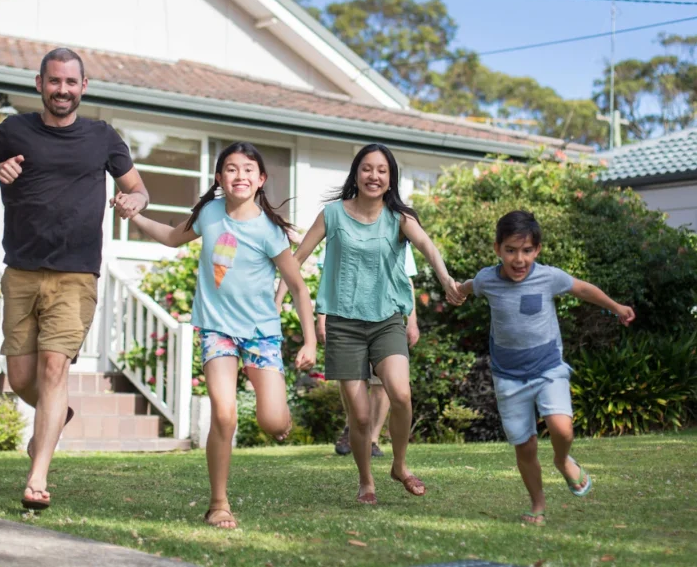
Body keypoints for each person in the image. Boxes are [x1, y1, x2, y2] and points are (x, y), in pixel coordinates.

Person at [0, 48, 150, 511]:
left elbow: (139, 187)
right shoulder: (14, 130)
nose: (62, 90)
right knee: (21, 375)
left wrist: (135, 203)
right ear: (39, 83)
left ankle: (37, 476)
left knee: (54, 367)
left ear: (84, 87)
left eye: (71, 82)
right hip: (22, 270)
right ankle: (58, 413)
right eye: (54, 81)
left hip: (75, 273)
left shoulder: (103, 137)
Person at [114, 141, 316, 530]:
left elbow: (298, 288)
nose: (239, 176)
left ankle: (279, 420)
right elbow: (173, 237)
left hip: (260, 334)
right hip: (217, 330)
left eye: (247, 170)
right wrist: (134, 217)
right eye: (231, 169)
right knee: (223, 414)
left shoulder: (270, 231)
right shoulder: (208, 213)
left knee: (273, 423)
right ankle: (218, 503)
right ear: (220, 177)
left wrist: (309, 341)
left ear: (261, 180)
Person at [277, 143, 463, 504]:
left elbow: (426, 246)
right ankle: (366, 481)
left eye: (381, 170)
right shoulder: (332, 215)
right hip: (344, 323)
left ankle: (399, 465)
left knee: (402, 393)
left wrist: (446, 280)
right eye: (366, 168)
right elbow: (297, 259)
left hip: (387, 320)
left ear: (390, 177)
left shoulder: (400, 218)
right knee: (360, 418)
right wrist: (277, 301)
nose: (373, 176)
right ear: (356, 174)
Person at [456, 210, 635, 526]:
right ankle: (537, 505)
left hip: (548, 368)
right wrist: (458, 290)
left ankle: (563, 460)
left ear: (537, 250)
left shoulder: (549, 277)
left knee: (562, 427)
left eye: (526, 251)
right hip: (508, 377)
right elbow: (471, 285)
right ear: (497, 249)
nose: (519, 259)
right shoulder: (488, 279)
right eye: (510, 250)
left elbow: (582, 289)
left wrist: (616, 307)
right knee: (524, 446)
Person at [331, 244, 420, 458]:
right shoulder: (341, 228)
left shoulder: (396, 231)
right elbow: (331, 275)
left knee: (383, 382)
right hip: (348, 316)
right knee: (352, 377)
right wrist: (323, 315)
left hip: (387, 318)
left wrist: (413, 320)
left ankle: (372, 438)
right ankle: (352, 426)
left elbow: (406, 279)